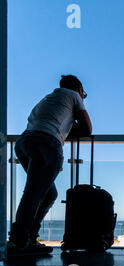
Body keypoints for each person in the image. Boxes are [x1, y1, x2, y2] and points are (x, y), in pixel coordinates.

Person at [8, 75, 92, 255]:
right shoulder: (73, 96)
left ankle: (29, 237)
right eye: (82, 93)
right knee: (34, 193)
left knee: (48, 193)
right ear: (79, 88)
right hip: (46, 144)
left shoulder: (48, 99)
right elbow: (87, 128)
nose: (82, 96)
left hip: (24, 143)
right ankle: (19, 242)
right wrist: (70, 128)